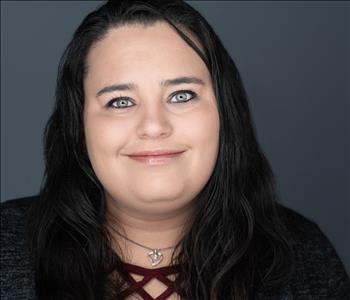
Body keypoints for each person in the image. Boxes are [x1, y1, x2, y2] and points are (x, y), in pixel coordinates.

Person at [1, 0, 349, 299]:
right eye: (120, 101)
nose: (154, 125)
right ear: (79, 127)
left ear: (224, 113)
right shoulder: (7, 249)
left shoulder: (304, 257)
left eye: (181, 95)